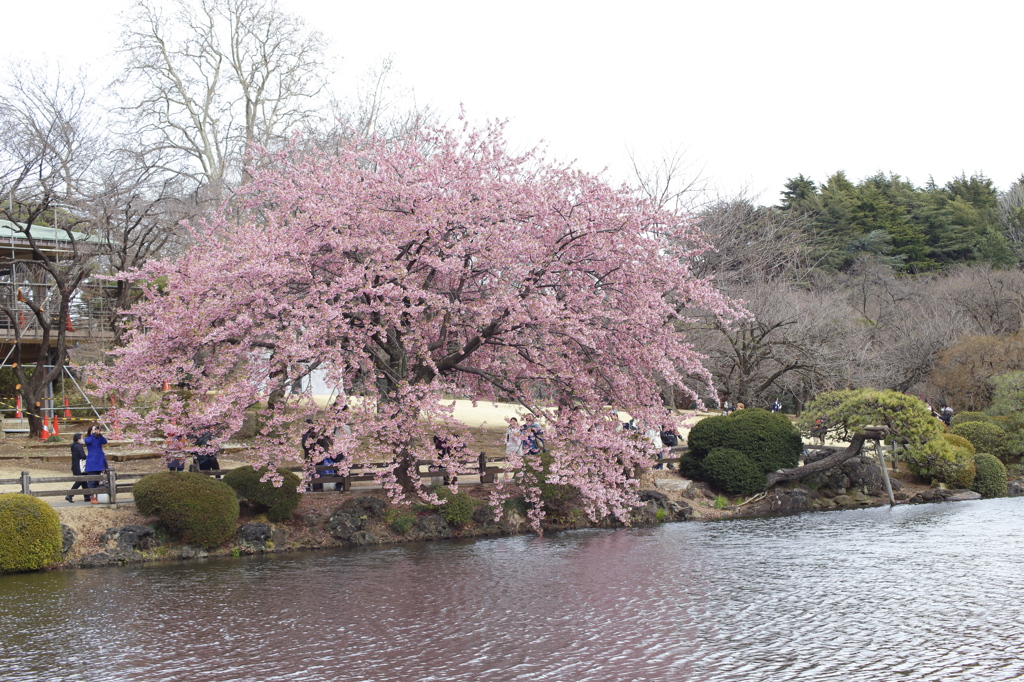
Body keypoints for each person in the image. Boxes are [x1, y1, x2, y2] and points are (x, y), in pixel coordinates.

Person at [83, 425, 108, 505]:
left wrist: (99, 434)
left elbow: (105, 441)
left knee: (98, 480)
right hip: (92, 462)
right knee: (91, 481)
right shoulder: (87, 438)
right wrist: (92, 434)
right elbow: (89, 441)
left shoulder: (99, 438)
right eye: (94, 429)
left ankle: (98, 496)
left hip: (100, 461)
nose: (96, 431)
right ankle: (92, 497)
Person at [66, 433, 90, 503]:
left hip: (75, 465)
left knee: (83, 481)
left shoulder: (73, 446)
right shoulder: (79, 446)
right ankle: (70, 495)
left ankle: (87, 496)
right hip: (79, 466)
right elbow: (82, 456)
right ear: (78, 439)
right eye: (81, 438)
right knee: (80, 481)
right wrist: (87, 457)